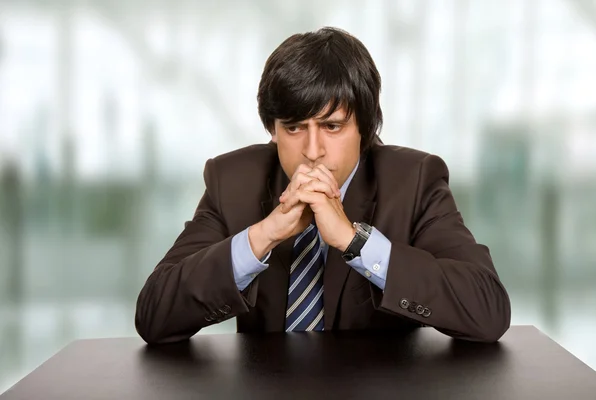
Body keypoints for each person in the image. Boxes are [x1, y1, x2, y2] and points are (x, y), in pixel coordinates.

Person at [135, 27, 511, 345]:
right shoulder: (232, 180)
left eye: (332, 127)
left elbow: (487, 310)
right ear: (272, 129)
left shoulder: (413, 181)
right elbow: (153, 315)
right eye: (294, 128)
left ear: (364, 128)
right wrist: (262, 236)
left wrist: (354, 242)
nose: (312, 151)